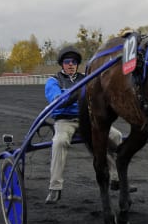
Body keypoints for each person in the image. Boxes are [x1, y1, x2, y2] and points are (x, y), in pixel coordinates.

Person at [44, 46, 124, 203]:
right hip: (65, 120)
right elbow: (57, 101)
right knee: (59, 142)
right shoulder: (53, 81)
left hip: (88, 119)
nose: (71, 64)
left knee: (116, 136)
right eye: (67, 62)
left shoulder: (85, 78)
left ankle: (117, 178)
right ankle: (55, 187)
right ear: (62, 64)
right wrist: (79, 92)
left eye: (74, 62)